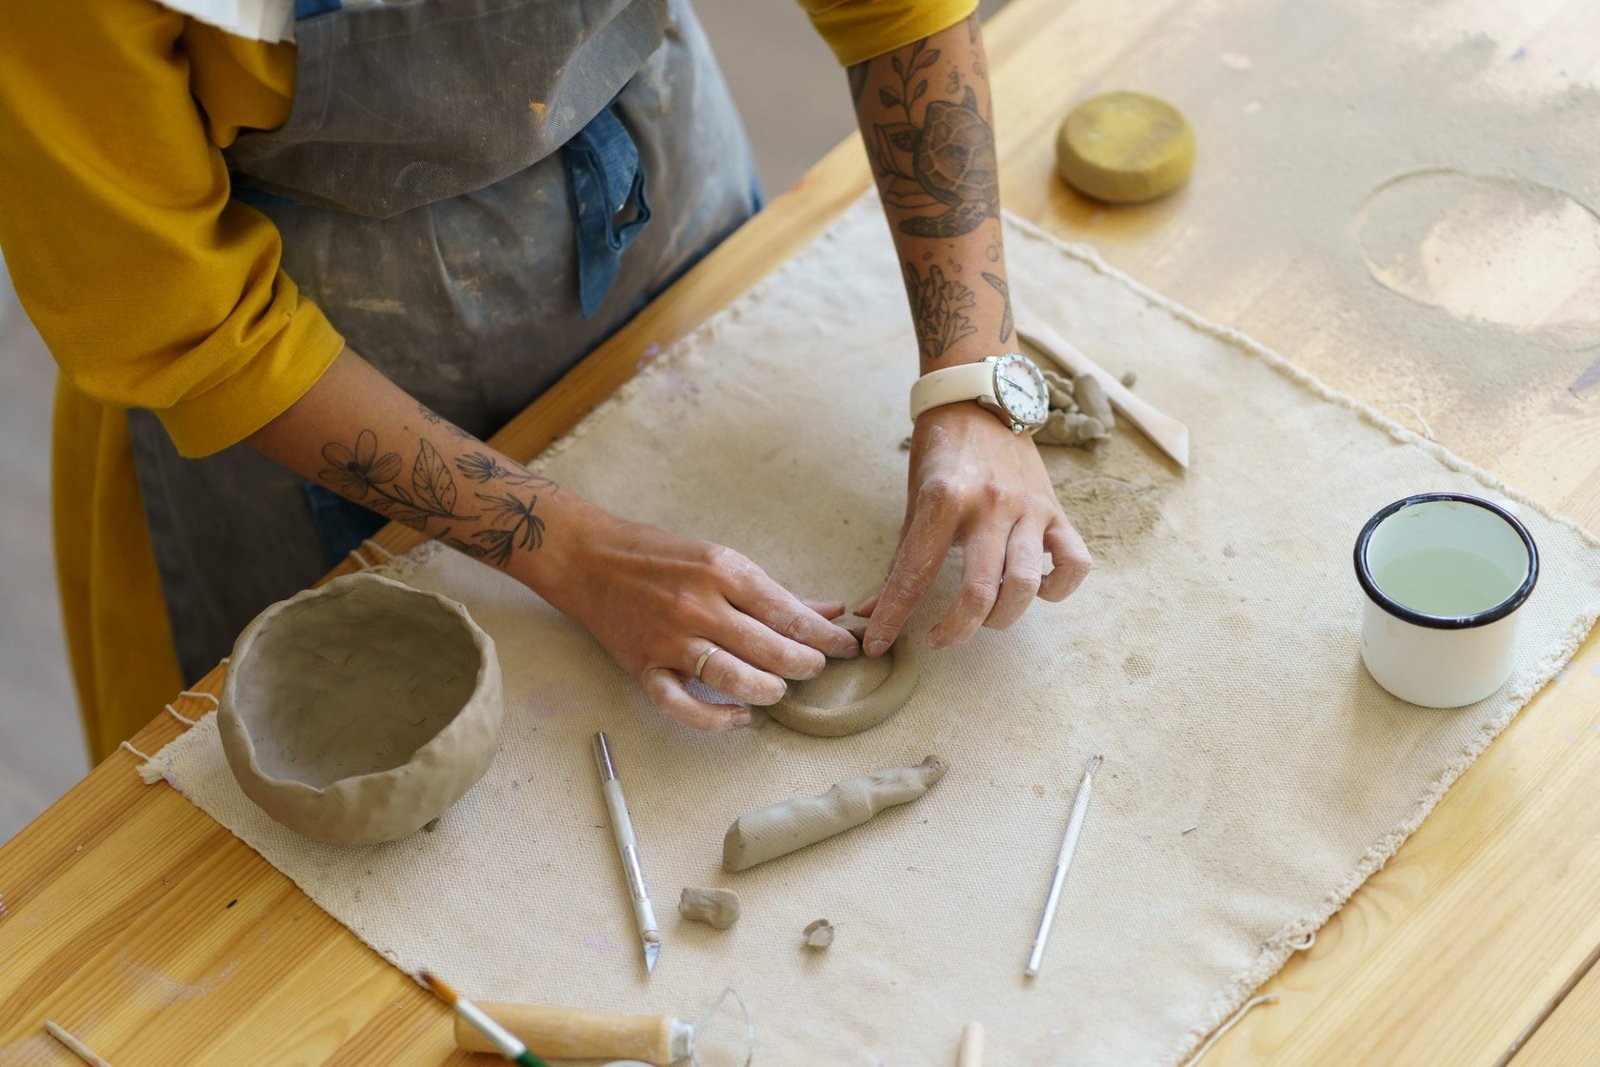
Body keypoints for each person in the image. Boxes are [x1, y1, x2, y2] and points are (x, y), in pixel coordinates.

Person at [0, 0, 1090, 763]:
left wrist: (973, 372)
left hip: (652, 190)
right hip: (305, 369)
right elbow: (193, 326)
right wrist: (565, 547)